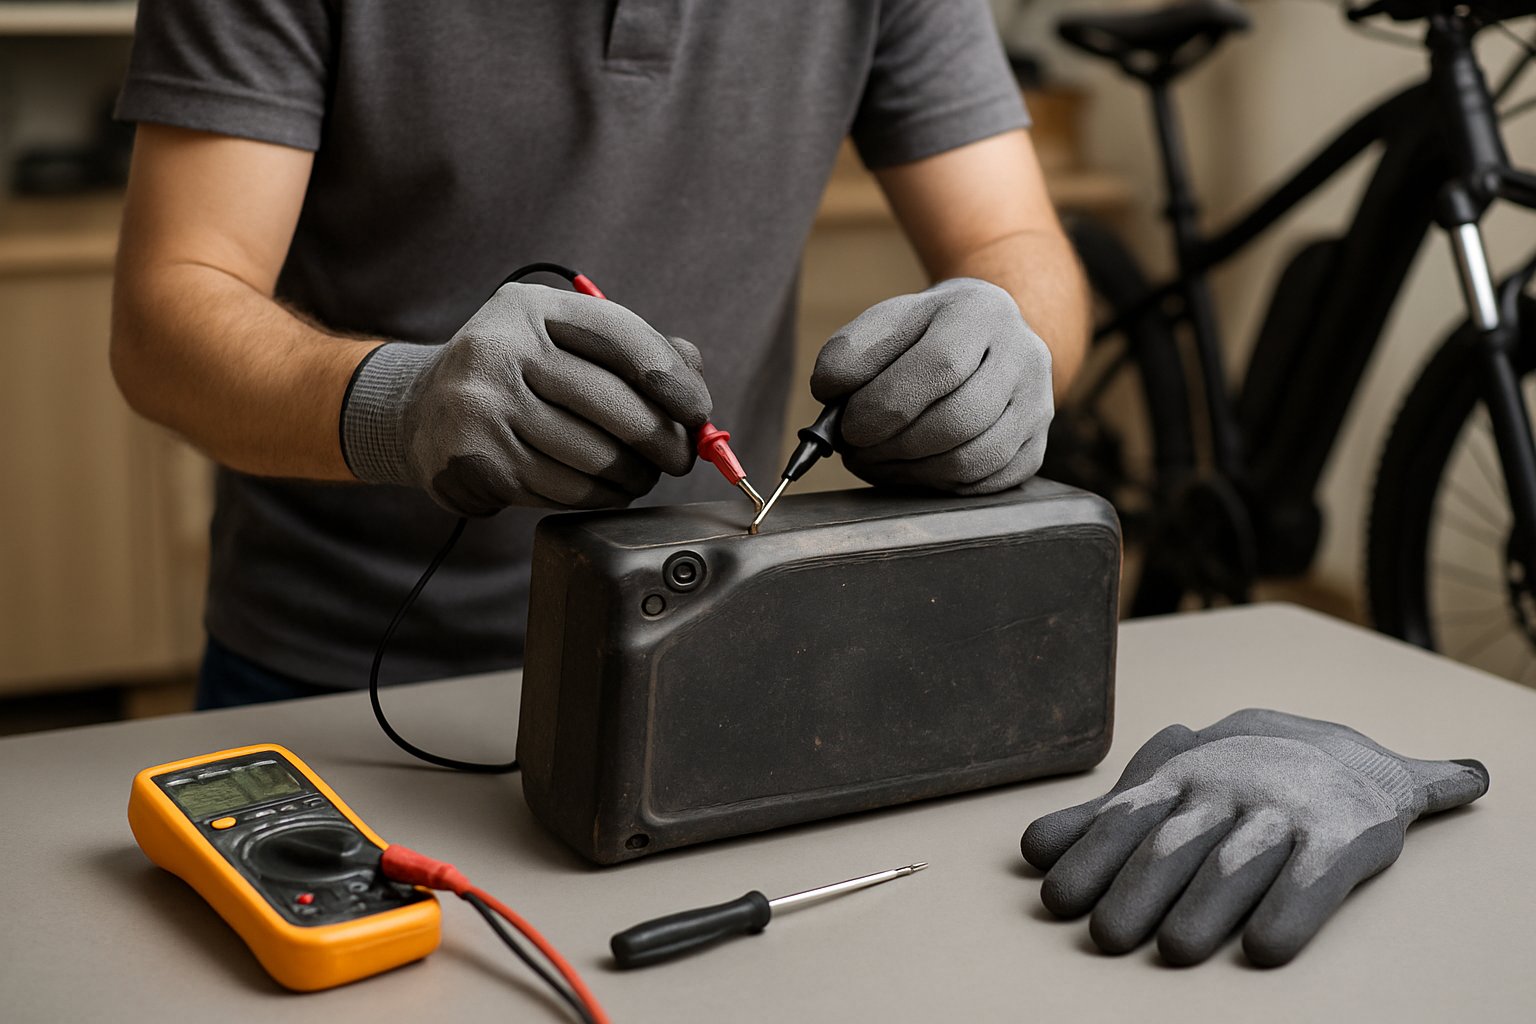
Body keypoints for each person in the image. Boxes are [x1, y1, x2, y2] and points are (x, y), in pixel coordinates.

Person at [110, 0, 1089, 708]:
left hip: (711, 649)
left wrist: (1009, 345)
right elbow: (165, 321)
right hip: (333, 676)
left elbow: (1015, 246)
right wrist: (403, 407)